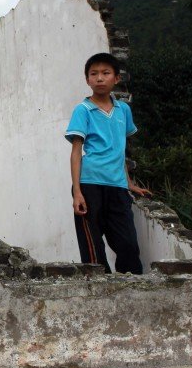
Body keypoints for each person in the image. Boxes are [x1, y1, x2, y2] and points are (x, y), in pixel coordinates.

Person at [65, 53, 152, 274]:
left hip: (117, 187)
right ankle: (99, 295)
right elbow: (76, 152)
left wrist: (129, 182)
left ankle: (130, 292)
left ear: (116, 78)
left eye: (105, 73)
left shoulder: (124, 110)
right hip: (89, 184)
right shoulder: (83, 110)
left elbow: (119, 149)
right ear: (87, 80)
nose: (100, 78)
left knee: (128, 246)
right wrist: (77, 192)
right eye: (94, 74)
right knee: (93, 251)